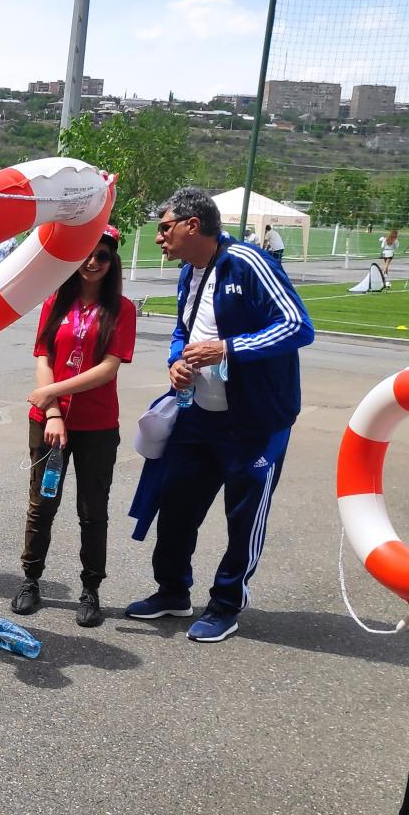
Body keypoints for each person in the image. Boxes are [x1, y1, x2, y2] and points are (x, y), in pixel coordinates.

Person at [125, 187, 312, 643]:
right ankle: (172, 591)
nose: (158, 238)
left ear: (193, 225)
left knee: (243, 517)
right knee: (176, 508)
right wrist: (175, 360)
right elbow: (183, 331)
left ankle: (226, 604)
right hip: (198, 416)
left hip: (254, 422)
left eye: (165, 227)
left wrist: (229, 348)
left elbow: (298, 326)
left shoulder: (248, 262)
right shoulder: (189, 274)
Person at [11, 226, 137, 628]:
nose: (93, 262)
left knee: (92, 510)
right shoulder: (54, 303)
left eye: (102, 256)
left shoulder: (122, 309)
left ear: (111, 260)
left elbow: (108, 369)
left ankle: (91, 588)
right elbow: (43, 356)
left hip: (97, 426)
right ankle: (31, 580)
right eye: (87, 253)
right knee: (42, 504)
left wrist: (49, 394)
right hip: (48, 425)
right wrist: (52, 412)